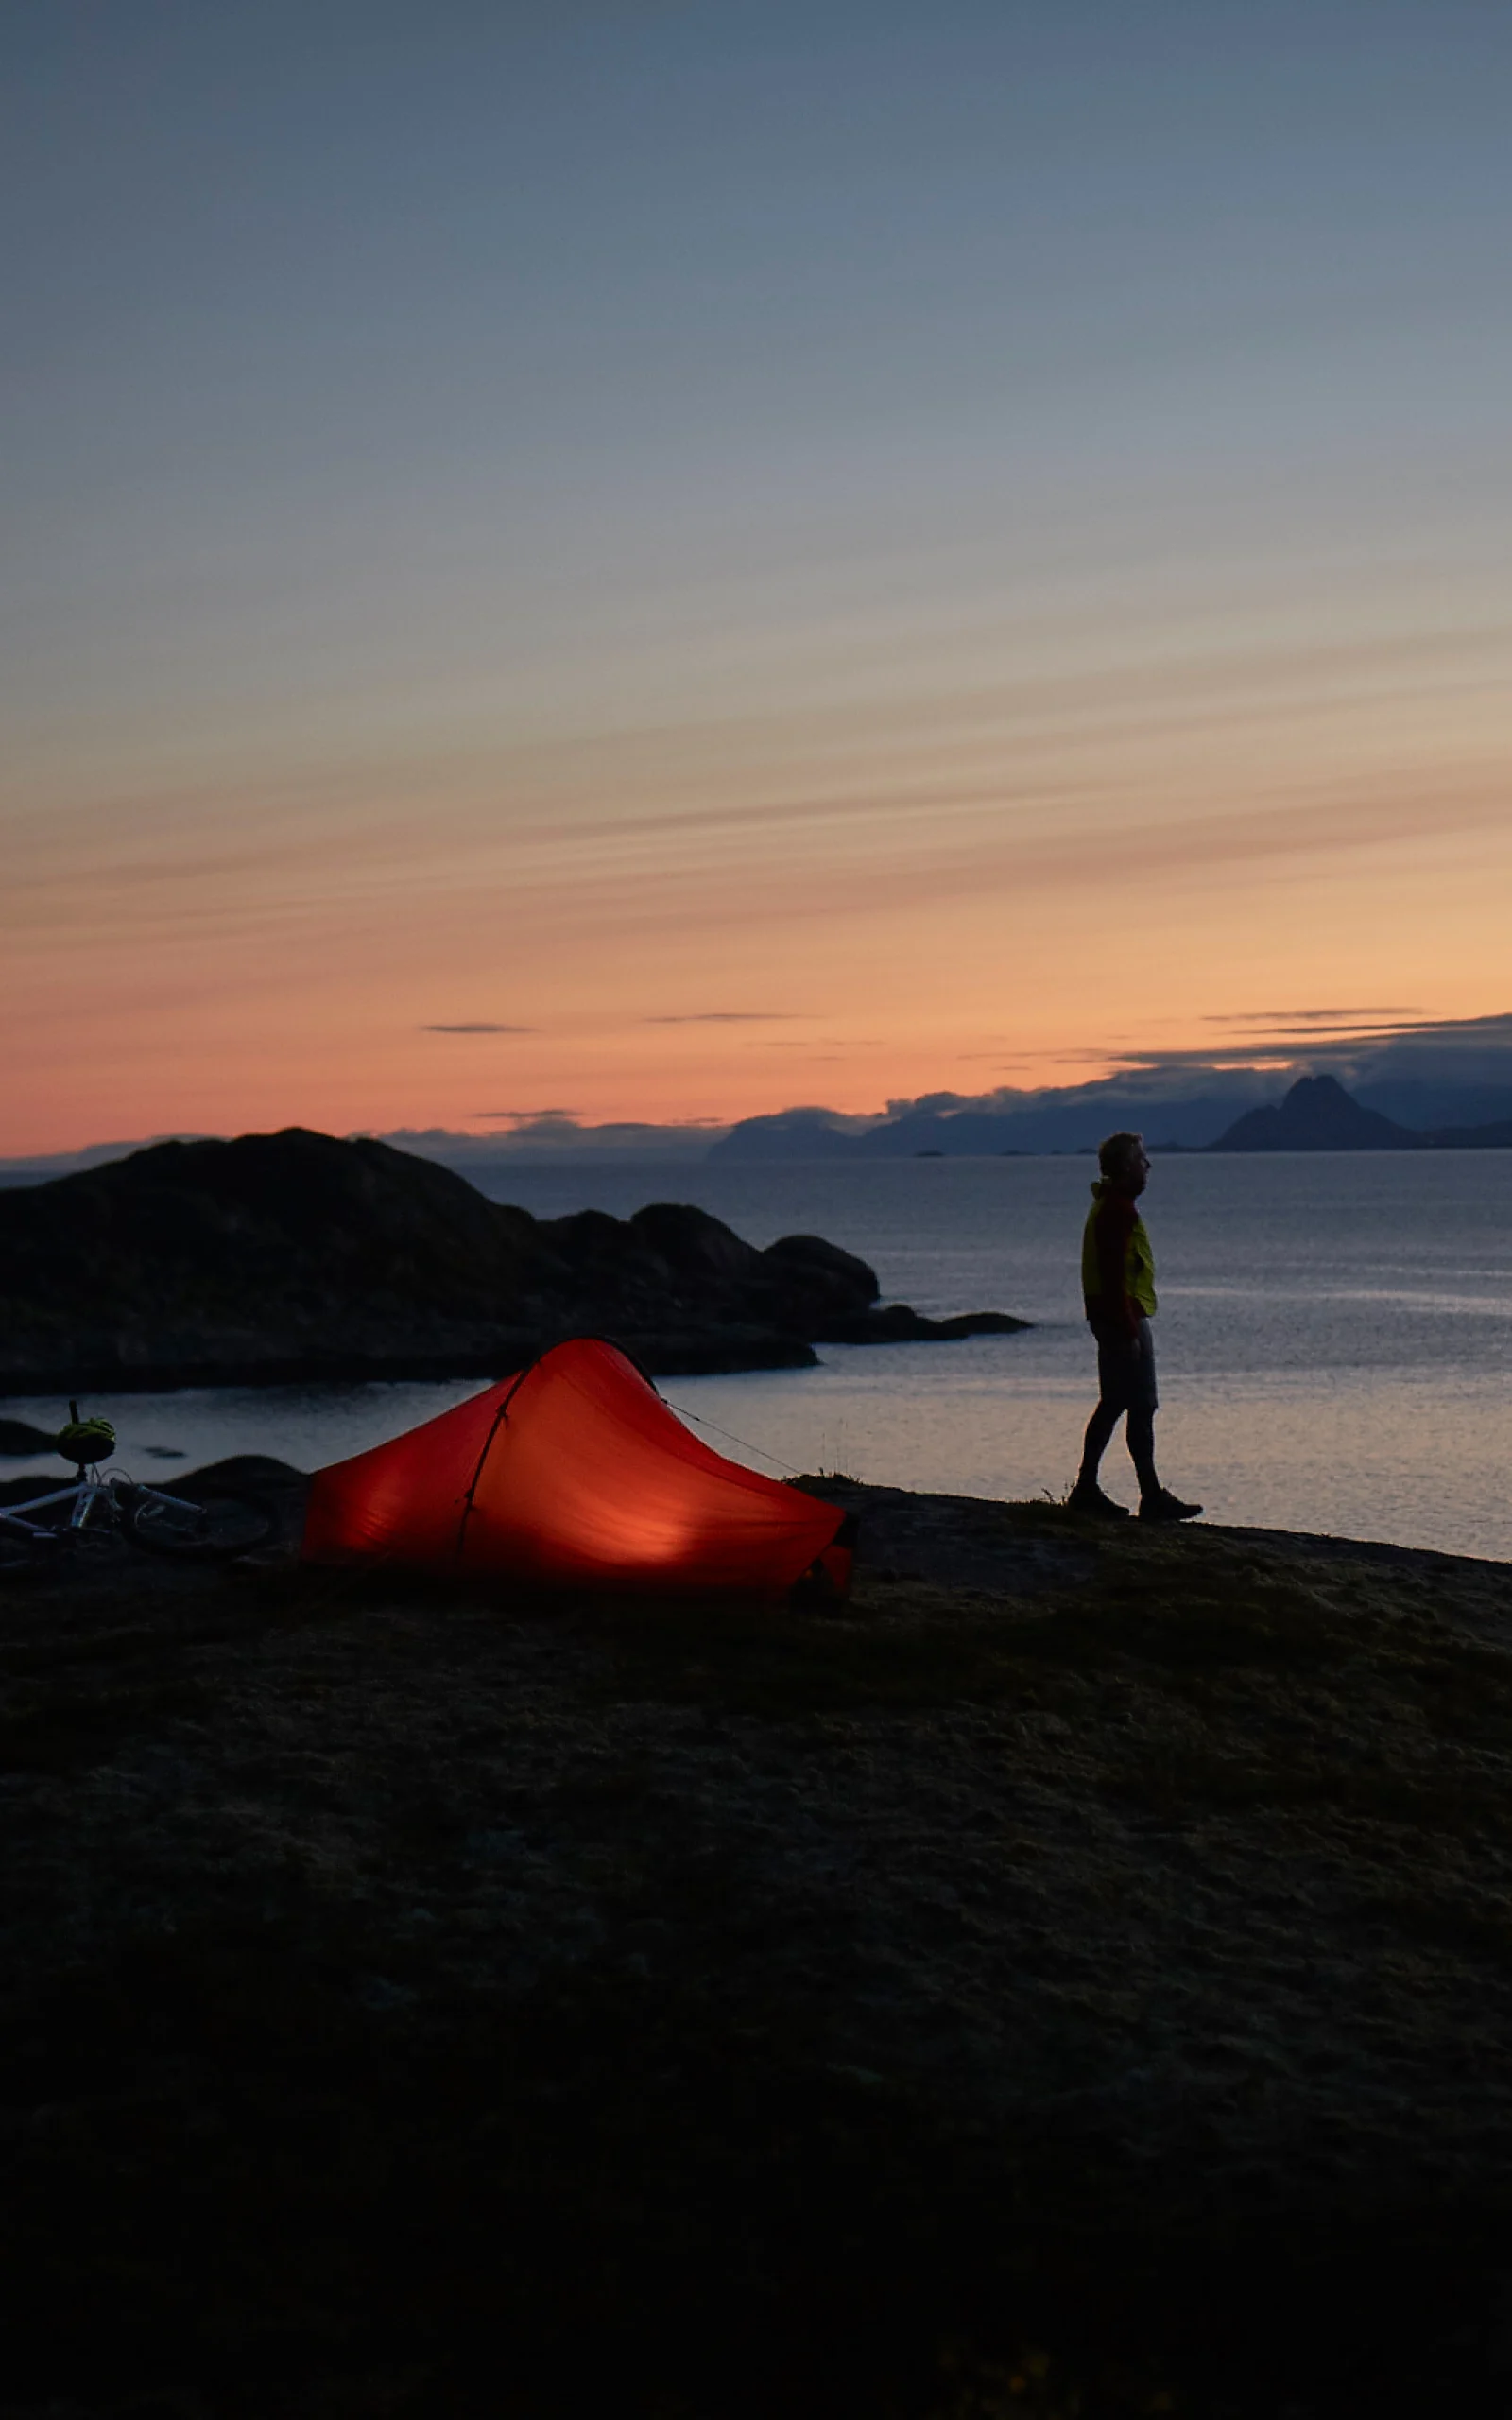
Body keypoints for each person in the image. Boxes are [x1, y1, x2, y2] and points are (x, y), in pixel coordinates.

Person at [1069, 1132, 1202, 1523]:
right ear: (1126, 1167)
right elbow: (1113, 1275)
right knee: (1135, 1404)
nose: (1148, 1166)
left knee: (1120, 1403)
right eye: (1142, 1160)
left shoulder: (1111, 1206)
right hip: (1122, 1316)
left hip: (1117, 1314)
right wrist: (1127, 1330)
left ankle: (1103, 1489)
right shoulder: (1117, 1210)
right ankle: (1135, 1494)